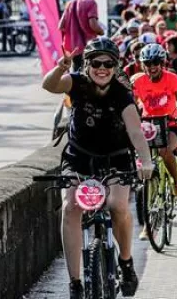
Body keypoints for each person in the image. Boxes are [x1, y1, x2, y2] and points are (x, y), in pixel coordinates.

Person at [41, 37, 154, 299]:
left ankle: (126, 264)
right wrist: (60, 68)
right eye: (95, 62)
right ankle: (76, 283)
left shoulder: (121, 92)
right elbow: (49, 86)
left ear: (115, 66)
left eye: (108, 63)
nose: (102, 68)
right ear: (87, 64)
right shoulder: (76, 83)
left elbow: (136, 132)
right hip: (79, 157)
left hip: (115, 158)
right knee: (71, 208)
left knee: (118, 206)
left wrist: (145, 161)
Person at [131, 43, 177, 204]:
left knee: (164, 150)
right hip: (148, 125)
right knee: (137, 153)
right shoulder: (138, 81)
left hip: (172, 123)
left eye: (156, 62)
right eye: (148, 63)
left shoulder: (172, 78)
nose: (152, 67)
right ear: (142, 64)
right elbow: (132, 104)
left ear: (162, 62)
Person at [58, 0, 105, 71]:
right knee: (87, 76)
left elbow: (61, 26)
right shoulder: (91, 2)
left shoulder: (71, 2)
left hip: (73, 49)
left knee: (76, 75)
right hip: (88, 47)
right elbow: (93, 25)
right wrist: (101, 31)